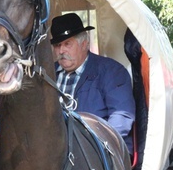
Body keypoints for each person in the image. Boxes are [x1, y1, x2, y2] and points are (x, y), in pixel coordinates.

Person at [50, 13, 136, 153]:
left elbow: (121, 117)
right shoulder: (47, 75)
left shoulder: (111, 72)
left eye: (67, 44)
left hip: (99, 151)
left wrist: (97, 146)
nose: (61, 50)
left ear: (84, 43)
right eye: (57, 45)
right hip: (55, 153)